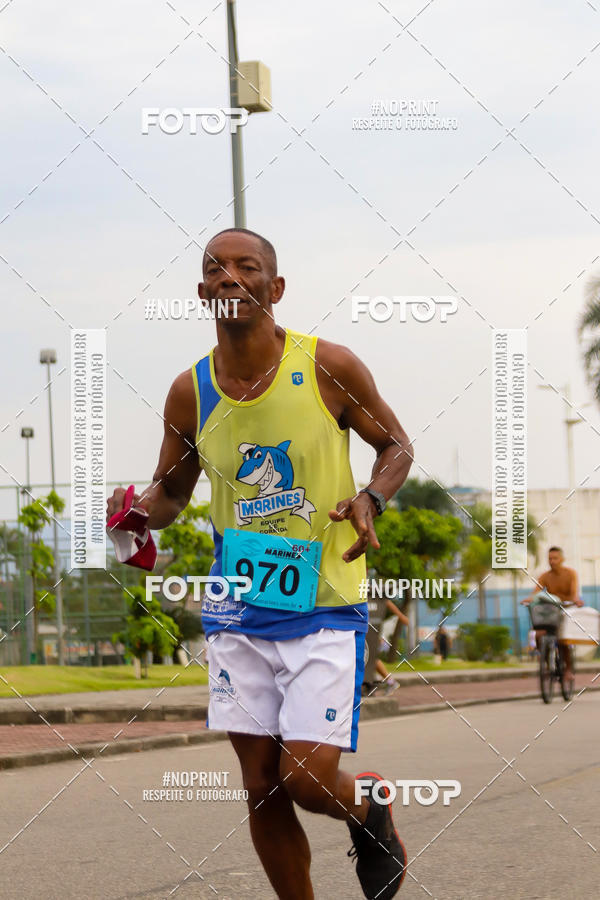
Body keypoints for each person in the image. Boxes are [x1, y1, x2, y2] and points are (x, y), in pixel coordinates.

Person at [107, 228, 414, 899]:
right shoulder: (190, 391)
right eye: (216, 269)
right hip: (237, 611)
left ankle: (368, 811)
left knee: (304, 780)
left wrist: (371, 497)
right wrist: (134, 510)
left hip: (325, 606)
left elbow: (395, 445)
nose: (230, 278)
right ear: (201, 293)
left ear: (275, 289)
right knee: (259, 785)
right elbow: (174, 493)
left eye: (248, 268)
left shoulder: (329, 365)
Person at [521, 546, 583, 681]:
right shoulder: (545, 576)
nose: (552, 561)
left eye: (555, 558)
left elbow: (574, 593)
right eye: (550, 559)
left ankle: (568, 669)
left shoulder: (571, 573)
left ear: (562, 559)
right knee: (538, 634)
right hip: (550, 611)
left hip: (566, 609)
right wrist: (529, 599)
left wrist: (575, 600)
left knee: (563, 639)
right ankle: (548, 666)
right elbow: (536, 591)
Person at [375, 600, 409, 693]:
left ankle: (391, 682)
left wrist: (401, 616)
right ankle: (390, 682)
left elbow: (385, 601)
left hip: (370, 630)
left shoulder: (369, 591)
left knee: (370, 658)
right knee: (369, 659)